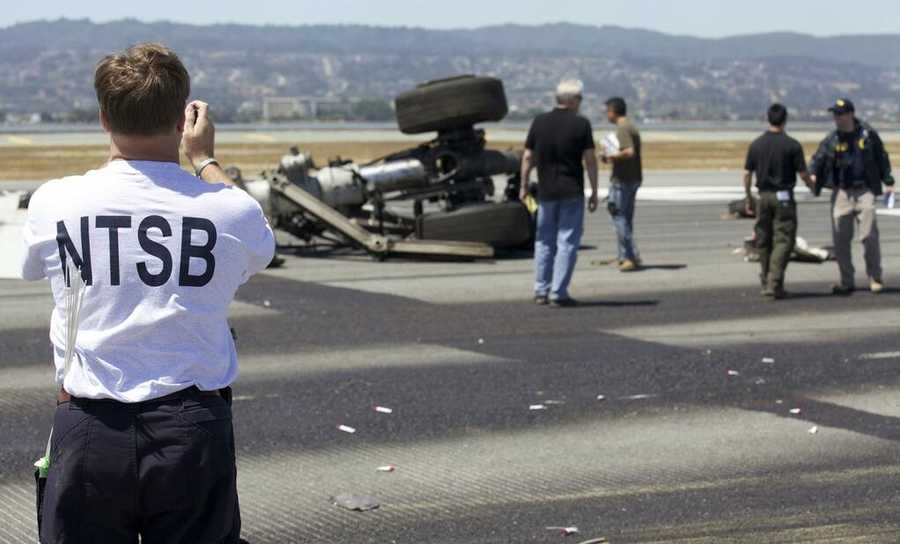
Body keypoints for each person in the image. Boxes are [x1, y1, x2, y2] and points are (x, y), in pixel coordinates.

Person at [20, 43, 274, 543]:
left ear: (102, 118)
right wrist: (204, 160)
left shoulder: (55, 201)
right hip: (192, 428)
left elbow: (32, 267)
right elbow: (259, 239)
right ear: (184, 121)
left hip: (88, 423)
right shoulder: (227, 210)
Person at [520, 79, 599, 307]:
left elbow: (527, 157)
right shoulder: (581, 124)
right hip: (571, 190)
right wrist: (593, 191)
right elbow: (590, 161)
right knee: (567, 242)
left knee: (543, 241)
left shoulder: (539, 121)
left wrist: (524, 186)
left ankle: (540, 290)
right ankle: (558, 292)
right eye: (581, 98)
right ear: (573, 100)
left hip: (545, 192)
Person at [810, 98, 894, 295]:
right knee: (840, 239)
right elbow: (818, 158)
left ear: (850, 114)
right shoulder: (832, 139)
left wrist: (888, 180)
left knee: (869, 236)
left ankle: (875, 276)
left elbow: (881, 157)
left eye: (840, 114)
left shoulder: (868, 134)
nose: (837, 119)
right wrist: (813, 173)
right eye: (835, 115)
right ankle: (846, 280)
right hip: (841, 192)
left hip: (865, 191)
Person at [742, 103, 814, 299]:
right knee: (784, 240)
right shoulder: (792, 145)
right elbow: (803, 173)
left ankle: (768, 281)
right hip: (783, 198)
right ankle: (774, 282)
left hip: (763, 197)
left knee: (764, 240)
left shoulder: (756, 144)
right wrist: (812, 186)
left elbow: (747, 173)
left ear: (768, 118)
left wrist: (749, 197)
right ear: (785, 119)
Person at [600, 97, 643, 272]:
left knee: (617, 216)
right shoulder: (630, 126)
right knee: (625, 218)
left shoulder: (623, 128)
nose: (606, 114)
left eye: (607, 111)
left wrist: (610, 157)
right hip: (633, 178)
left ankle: (631, 255)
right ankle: (624, 255)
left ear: (613, 111)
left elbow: (629, 152)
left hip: (623, 180)